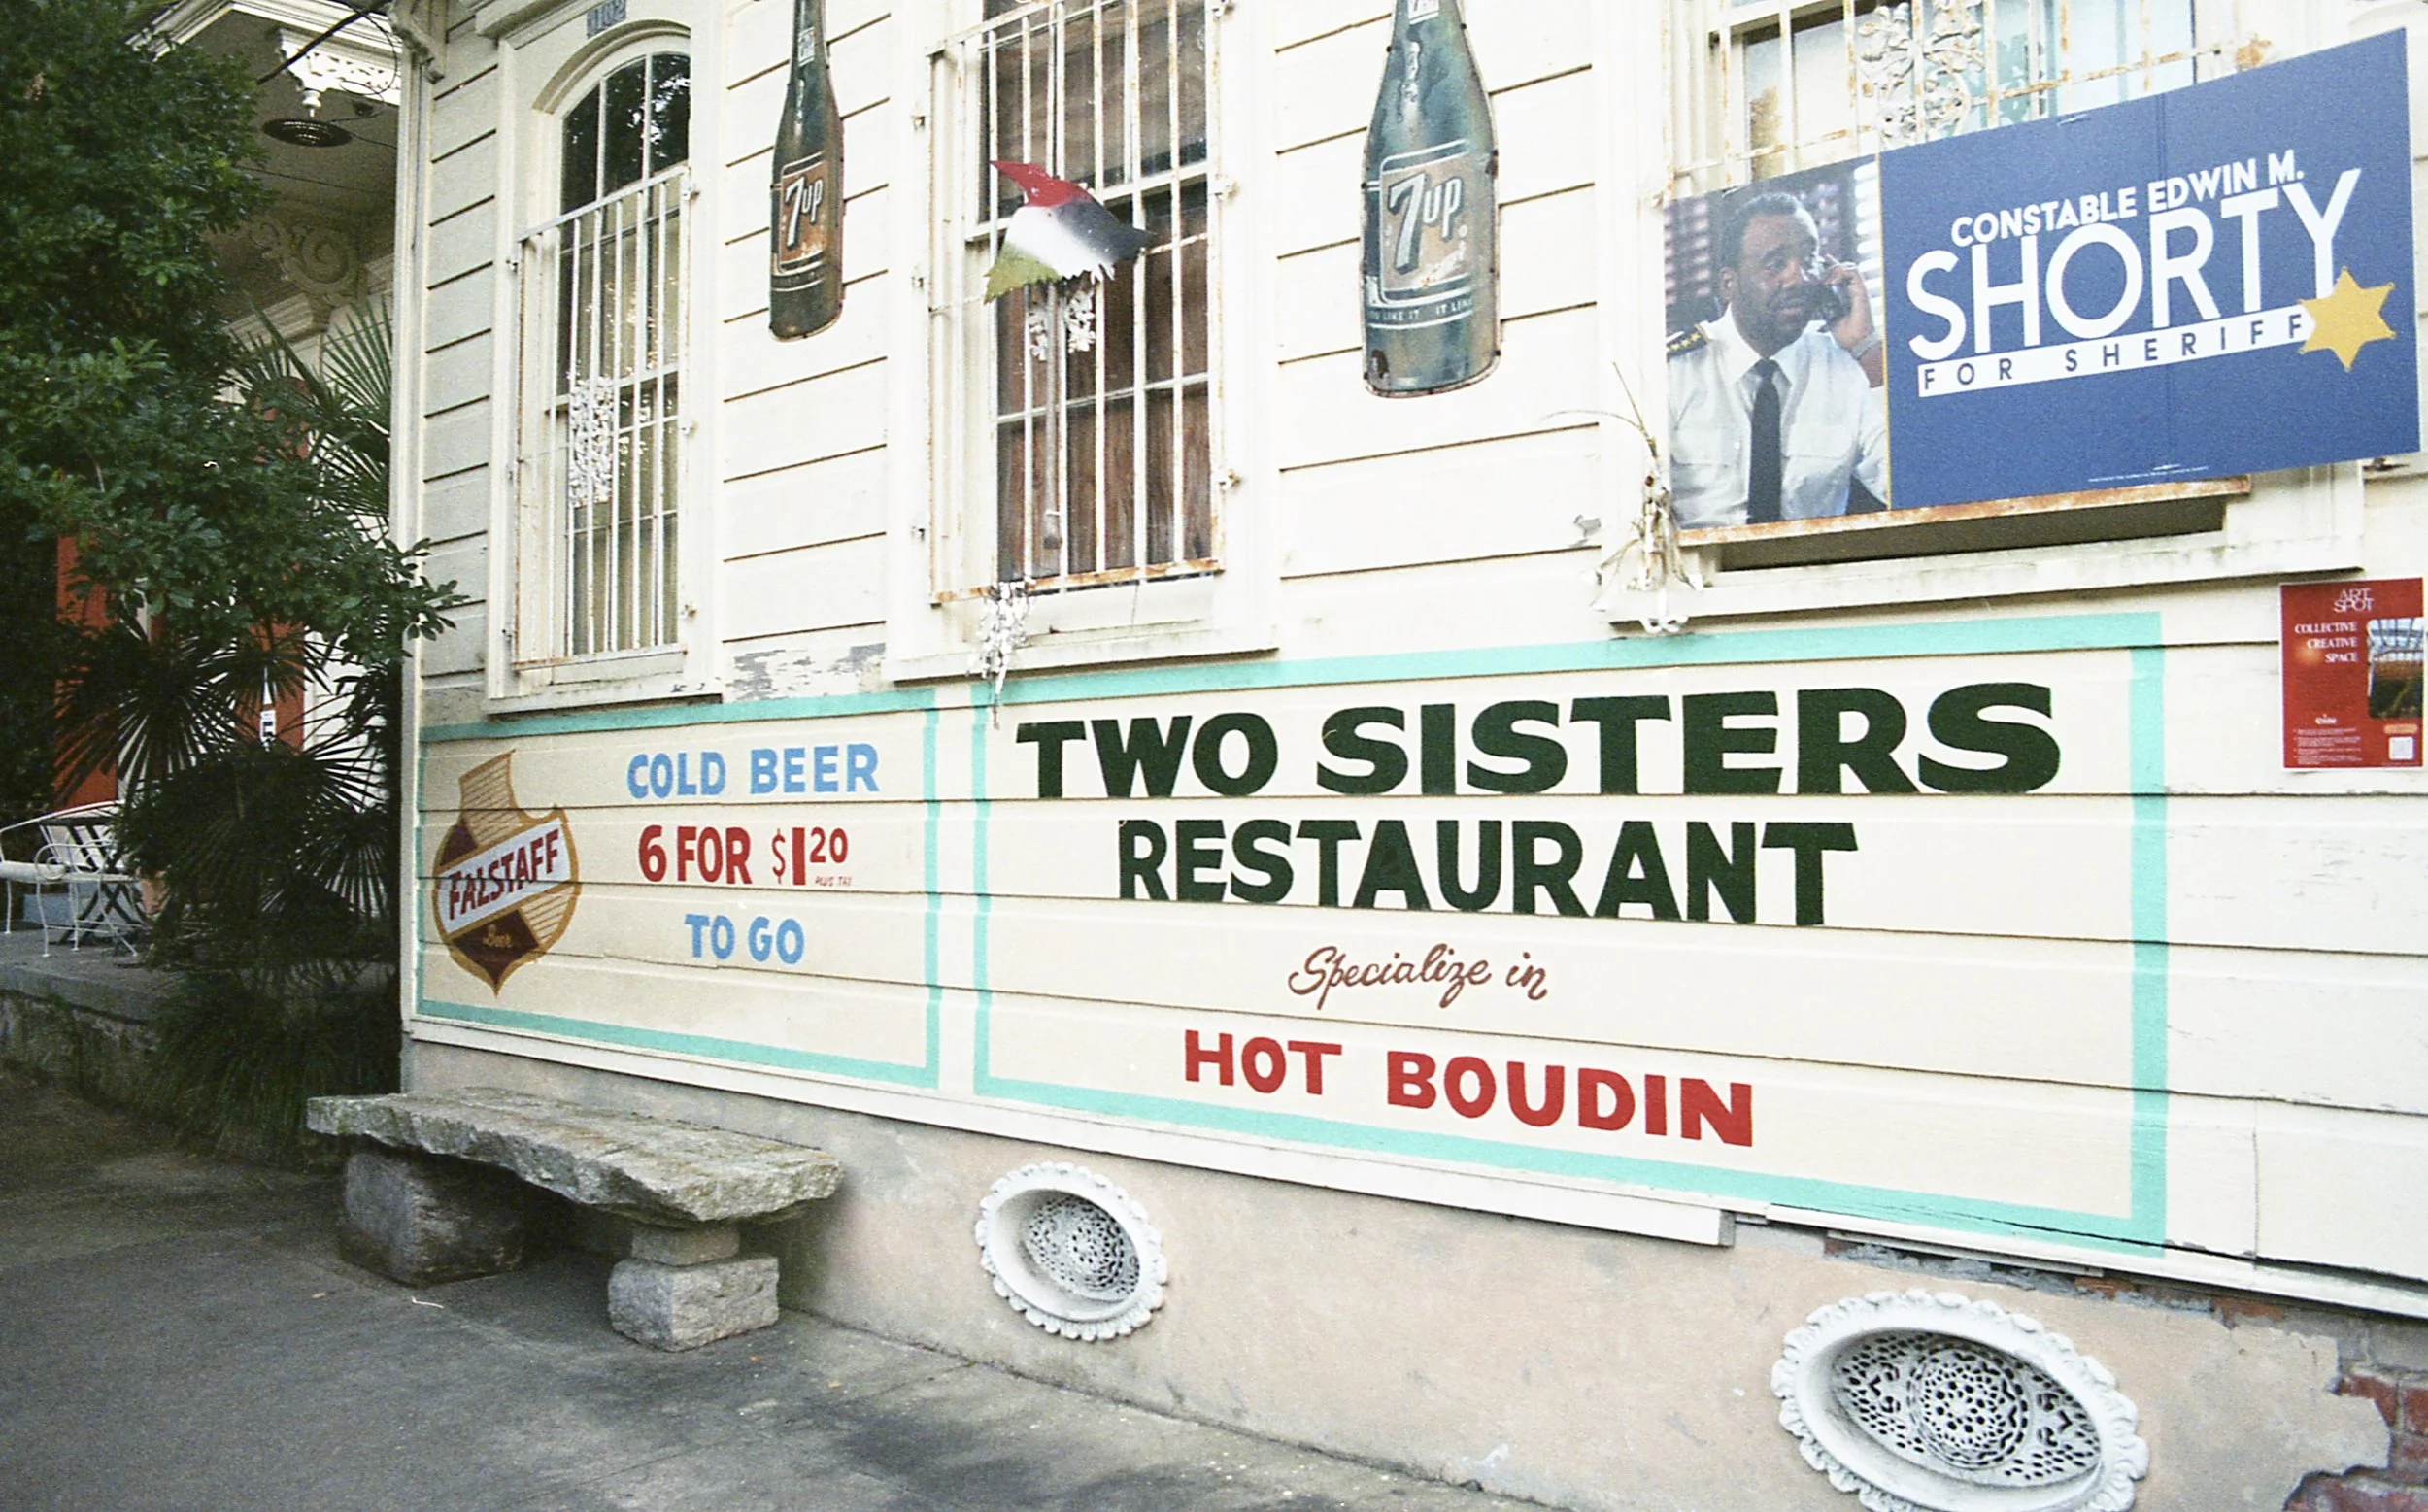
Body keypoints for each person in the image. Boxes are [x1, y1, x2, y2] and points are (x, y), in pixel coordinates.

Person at [1668, 189, 1888, 530]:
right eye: (1776, 265)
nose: (1799, 278)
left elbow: (1907, 486)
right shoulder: (1674, 371)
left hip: (1812, 573)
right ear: (1729, 284)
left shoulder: (1845, 365)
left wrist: (1867, 349)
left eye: (1810, 260)